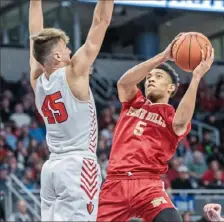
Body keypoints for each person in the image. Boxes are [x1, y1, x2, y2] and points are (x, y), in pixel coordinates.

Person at [97, 33, 214, 222]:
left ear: (170, 88)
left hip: (147, 184)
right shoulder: (133, 102)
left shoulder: (171, 116)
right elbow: (123, 83)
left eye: (158, 76)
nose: (151, 79)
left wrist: (196, 77)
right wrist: (163, 56)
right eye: (149, 77)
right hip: (114, 183)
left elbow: (181, 123)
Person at [29, 0, 114, 221]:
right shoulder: (75, 71)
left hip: (51, 169)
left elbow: (35, 36)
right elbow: (101, 21)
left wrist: (35, 3)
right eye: (65, 48)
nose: (70, 50)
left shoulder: (36, 78)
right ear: (57, 56)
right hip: (78, 165)